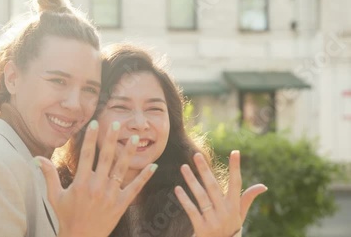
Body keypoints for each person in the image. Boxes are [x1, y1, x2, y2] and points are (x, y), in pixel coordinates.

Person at [0, 0, 156, 237]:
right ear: (13, 78)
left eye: (90, 89)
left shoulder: (28, 161)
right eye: (58, 81)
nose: (74, 103)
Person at [54, 43, 268, 237]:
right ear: (89, 117)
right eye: (120, 107)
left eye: (154, 108)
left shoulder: (201, 207)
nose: (140, 123)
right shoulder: (58, 197)